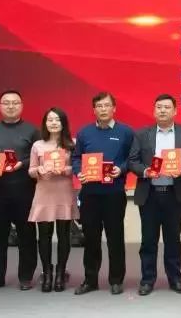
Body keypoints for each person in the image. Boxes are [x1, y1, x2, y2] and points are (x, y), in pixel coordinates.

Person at [127, 94, 181, 295]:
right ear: (154, 110)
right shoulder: (142, 134)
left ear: (175, 111)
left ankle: (175, 279)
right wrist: (145, 171)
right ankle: (147, 280)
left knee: (173, 239)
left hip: (174, 194)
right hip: (149, 194)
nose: (163, 110)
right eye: (159, 107)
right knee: (148, 240)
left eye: (167, 107)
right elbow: (132, 161)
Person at [70, 92, 134, 295]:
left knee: (115, 237)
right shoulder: (84, 132)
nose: (103, 109)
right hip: (90, 193)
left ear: (114, 108)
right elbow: (76, 158)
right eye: (99, 106)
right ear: (94, 110)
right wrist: (79, 171)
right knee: (91, 238)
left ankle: (116, 280)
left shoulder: (126, 132)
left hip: (114, 193)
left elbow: (133, 158)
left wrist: (121, 169)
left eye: (107, 105)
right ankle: (90, 280)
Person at [0, 89, 40, 291]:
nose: (11, 106)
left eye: (15, 103)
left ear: (21, 106)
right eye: (6, 103)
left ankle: (26, 276)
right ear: (0, 106)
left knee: (27, 235)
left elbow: (39, 158)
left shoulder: (32, 131)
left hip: (25, 190)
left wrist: (22, 164)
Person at [27, 107, 79, 293]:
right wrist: (39, 170)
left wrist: (64, 169)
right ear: (45, 123)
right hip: (44, 193)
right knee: (44, 235)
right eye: (50, 120)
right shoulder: (38, 145)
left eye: (57, 120)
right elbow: (31, 170)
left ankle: (60, 273)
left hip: (64, 192)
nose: (54, 123)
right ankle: (47, 273)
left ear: (63, 123)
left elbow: (77, 167)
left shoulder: (72, 143)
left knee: (64, 235)